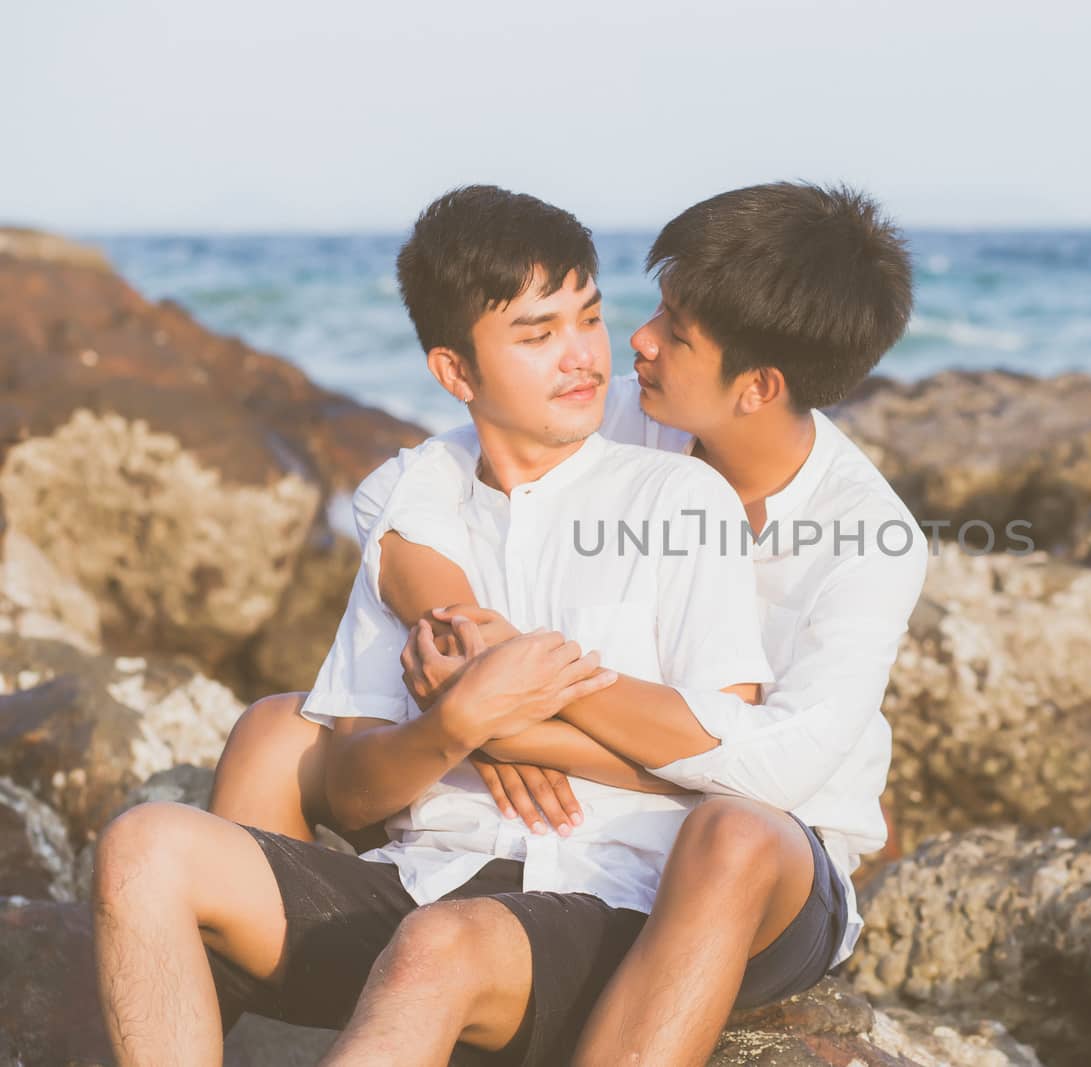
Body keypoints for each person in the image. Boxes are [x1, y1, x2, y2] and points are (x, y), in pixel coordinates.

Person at [196, 181, 925, 1065]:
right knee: (280, 729)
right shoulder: (626, 410)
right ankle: (262, 1012)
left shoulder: (869, 543)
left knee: (728, 834)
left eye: (677, 332)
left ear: (759, 386)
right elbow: (407, 491)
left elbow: (776, 770)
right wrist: (463, 638)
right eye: (655, 305)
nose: (639, 340)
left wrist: (522, 721)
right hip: (586, 816)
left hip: (764, 861)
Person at [94, 185, 781, 1067]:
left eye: (588, 319)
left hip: (602, 902)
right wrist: (456, 724)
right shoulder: (423, 504)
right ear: (456, 372)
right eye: (537, 336)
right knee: (142, 844)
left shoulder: (677, 497)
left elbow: (729, 752)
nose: (580, 358)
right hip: (419, 881)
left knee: (438, 947)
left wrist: (527, 722)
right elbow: (348, 789)